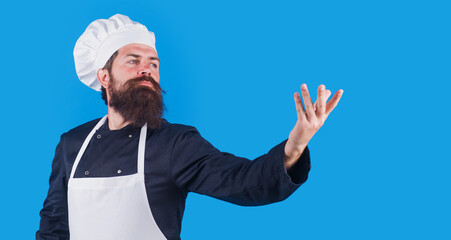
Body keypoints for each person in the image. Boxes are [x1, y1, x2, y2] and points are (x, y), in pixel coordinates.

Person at [36, 14, 343, 240]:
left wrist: (296, 144)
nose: (147, 69)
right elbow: (54, 227)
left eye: (153, 63)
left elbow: (246, 183)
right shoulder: (72, 144)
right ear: (104, 77)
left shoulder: (173, 144)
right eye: (133, 61)